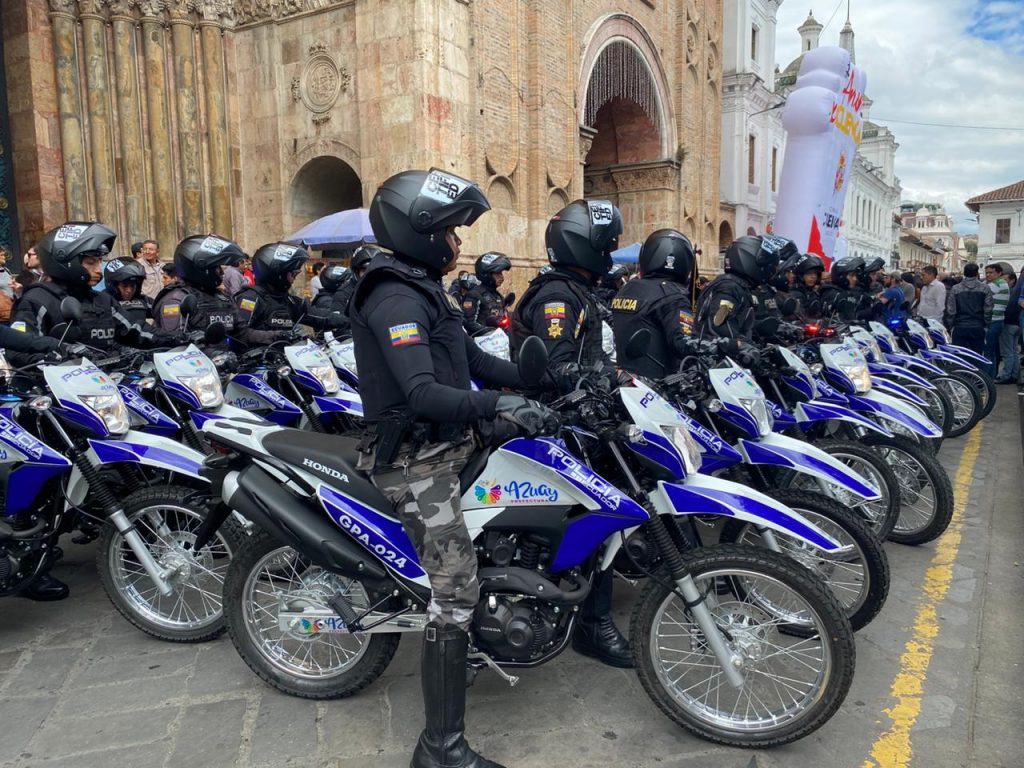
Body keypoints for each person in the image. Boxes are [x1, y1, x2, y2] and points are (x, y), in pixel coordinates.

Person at [352, 169, 553, 768]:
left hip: (450, 445)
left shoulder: (426, 290)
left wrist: (540, 379)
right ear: (422, 231)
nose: (457, 243)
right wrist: (499, 404)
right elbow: (420, 392)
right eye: (451, 231)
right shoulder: (392, 296)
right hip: (414, 461)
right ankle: (439, 748)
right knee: (456, 589)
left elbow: (475, 361)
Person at [510, 198, 633, 669]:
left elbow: (594, 359)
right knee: (594, 522)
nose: (611, 251)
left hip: (586, 422)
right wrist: (598, 385)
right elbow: (559, 367)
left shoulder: (581, 289)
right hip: (561, 425)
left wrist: (621, 380)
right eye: (607, 243)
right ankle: (591, 624)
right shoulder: (558, 296)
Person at [10, 222, 176, 352]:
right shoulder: (37, 300)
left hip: (103, 383)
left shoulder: (102, 300)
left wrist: (178, 338)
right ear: (65, 262)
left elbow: (133, 330)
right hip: (55, 390)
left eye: (100, 262)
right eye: (91, 263)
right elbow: (20, 349)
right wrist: (62, 352)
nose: (98, 269)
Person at [152, 234, 287, 349]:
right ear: (200, 268)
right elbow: (177, 344)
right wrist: (212, 354)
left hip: (228, 368)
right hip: (195, 374)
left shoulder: (221, 297)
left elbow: (243, 334)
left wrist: (278, 335)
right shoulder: (176, 299)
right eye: (216, 267)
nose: (222, 272)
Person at [611, 228, 700, 378]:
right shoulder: (672, 296)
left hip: (624, 381)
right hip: (660, 387)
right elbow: (684, 343)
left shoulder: (628, 288)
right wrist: (723, 345)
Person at [232, 242, 342, 341]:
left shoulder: (288, 300)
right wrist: (276, 335)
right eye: (293, 274)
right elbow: (240, 334)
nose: (294, 279)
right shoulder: (249, 299)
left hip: (287, 358)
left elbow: (318, 316)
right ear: (278, 274)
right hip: (256, 360)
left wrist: (349, 321)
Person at [695, 234, 795, 341]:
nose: (772, 271)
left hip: (725, 354)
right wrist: (744, 345)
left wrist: (770, 328)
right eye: (769, 266)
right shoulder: (728, 288)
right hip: (714, 354)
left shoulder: (739, 287)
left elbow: (738, 321)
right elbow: (719, 326)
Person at [945, 262, 991, 354]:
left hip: (960, 326)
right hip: (978, 326)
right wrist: (986, 324)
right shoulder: (985, 288)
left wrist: (950, 326)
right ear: (977, 273)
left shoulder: (956, 288)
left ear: (964, 273)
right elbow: (988, 309)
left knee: (960, 356)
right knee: (976, 355)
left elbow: (951, 310)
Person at [462, 251, 512, 334]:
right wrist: (488, 331)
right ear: (486, 274)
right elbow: (469, 323)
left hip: (498, 341)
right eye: (497, 273)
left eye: (501, 273)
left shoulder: (498, 296)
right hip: (479, 342)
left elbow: (503, 321)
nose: (501, 277)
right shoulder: (474, 295)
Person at [103, 258, 152, 326]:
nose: (129, 290)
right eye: (124, 286)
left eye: (132, 286)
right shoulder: (103, 302)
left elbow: (162, 308)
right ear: (114, 286)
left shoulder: (143, 300)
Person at [308, 263, 354, 332]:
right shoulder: (326, 301)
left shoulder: (332, 296)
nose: (348, 284)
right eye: (345, 282)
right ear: (338, 284)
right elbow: (339, 324)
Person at [982, 263, 1009, 377]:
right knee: (991, 351)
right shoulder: (999, 283)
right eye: (986, 273)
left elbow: (981, 291)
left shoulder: (997, 284)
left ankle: (986, 377)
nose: (988, 275)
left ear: (999, 273)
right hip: (997, 321)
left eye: (991, 272)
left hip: (993, 321)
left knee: (987, 351)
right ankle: (991, 376)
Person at [997, 270, 1023, 384]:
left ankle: (1006, 376)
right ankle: (1014, 374)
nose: (1004, 282)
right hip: (1018, 324)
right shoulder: (1017, 291)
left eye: (1006, 280)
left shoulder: (1010, 293)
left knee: (1007, 352)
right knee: (1014, 351)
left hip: (1009, 323)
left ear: (1012, 280)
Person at [788, 253, 825, 319]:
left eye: (815, 274)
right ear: (801, 275)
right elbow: (800, 317)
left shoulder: (815, 293)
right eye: (809, 273)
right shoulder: (795, 293)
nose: (813, 277)